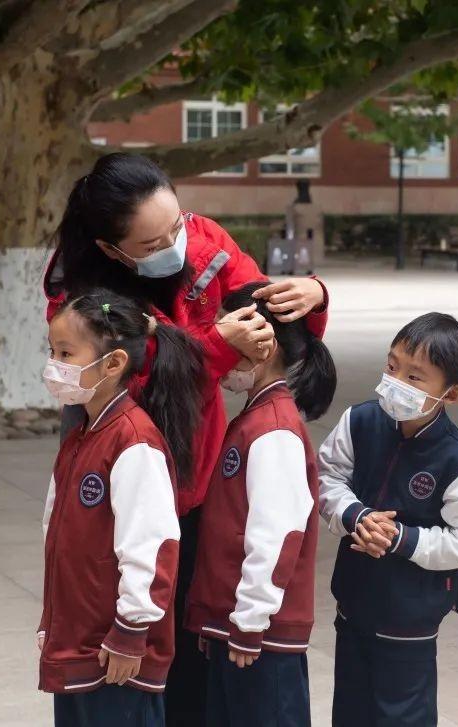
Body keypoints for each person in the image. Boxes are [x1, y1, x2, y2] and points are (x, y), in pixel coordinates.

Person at [46, 152, 330, 724]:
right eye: (152, 244)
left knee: (190, 651)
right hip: (121, 469)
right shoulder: (79, 292)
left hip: (195, 481)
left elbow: (266, 318)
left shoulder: (205, 241)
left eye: (176, 224)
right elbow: (127, 375)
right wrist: (214, 343)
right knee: (124, 636)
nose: (177, 244)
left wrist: (309, 296)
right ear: (110, 249)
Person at [317, 312, 458, 727]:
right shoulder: (360, 420)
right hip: (353, 599)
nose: (395, 381)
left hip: (410, 614)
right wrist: (354, 516)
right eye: (392, 365)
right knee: (350, 708)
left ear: (451, 394)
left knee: (402, 714)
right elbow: (326, 475)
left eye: (415, 378)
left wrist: (402, 538)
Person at [38, 289, 204, 727]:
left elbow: (152, 548)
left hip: (115, 656)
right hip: (78, 644)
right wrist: (52, 622)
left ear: (112, 364)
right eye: (52, 351)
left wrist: (132, 633)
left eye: (66, 353)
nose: (54, 365)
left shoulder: (133, 441)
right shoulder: (81, 435)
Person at [184, 282, 335, 727]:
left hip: (258, 637)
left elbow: (277, 536)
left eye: (231, 340)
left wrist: (250, 621)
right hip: (237, 627)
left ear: (262, 347)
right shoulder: (254, 418)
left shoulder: (272, 430)